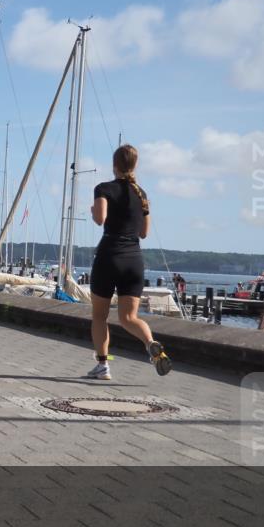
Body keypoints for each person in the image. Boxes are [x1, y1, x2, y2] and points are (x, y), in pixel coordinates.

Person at [86, 145, 172, 381]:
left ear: (115, 165)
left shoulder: (103, 188)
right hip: (134, 260)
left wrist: (94, 210)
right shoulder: (142, 195)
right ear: (134, 165)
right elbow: (144, 232)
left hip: (109, 256)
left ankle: (102, 366)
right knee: (129, 318)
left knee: (100, 317)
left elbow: (100, 219)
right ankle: (151, 343)